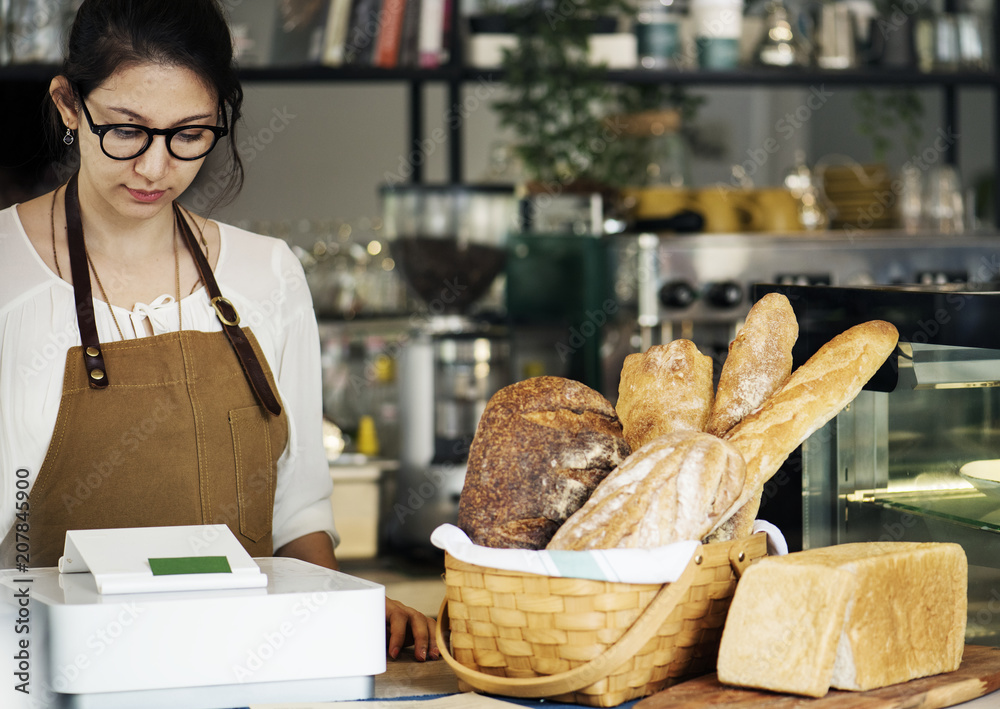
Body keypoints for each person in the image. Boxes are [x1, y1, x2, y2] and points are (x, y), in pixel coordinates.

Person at [0, 0, 438, 662]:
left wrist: (345, 605)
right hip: (45, 677)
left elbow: (298, 513)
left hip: (247, 671)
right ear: (68, 104)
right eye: (125, 129)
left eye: (189, 133)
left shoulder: (268, 275)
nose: (155, 167)